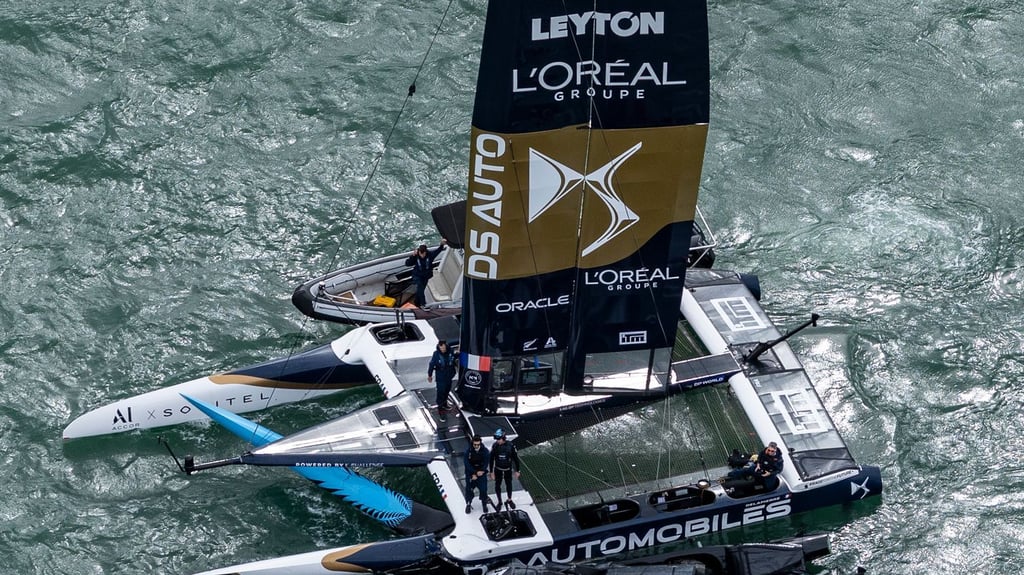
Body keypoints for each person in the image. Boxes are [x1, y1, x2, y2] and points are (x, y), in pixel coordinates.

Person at [405, 240, 447, 307]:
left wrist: (441, 244)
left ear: (425, 252)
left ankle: (416, 302)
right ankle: (423, 304)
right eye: (420, 253)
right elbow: (407, 263)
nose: (422, 255)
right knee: (420, 288)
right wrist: (412, 256)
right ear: (418, 252)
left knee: (420, 290)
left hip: (426, 276)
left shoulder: (430, 255)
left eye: (423, 253)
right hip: (417, 275)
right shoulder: (416, 256)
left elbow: (438, 250)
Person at [488, 428, 521, 509]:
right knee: (497, 485)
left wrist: (517, 470)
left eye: (498, 439)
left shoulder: (510, 445)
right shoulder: (495, 445)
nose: (497, 441)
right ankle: (499, 502)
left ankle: (509, 499)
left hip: (507, 469)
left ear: (503, 438)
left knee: (508, 484)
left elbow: (515, 458)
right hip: (498, 468)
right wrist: (491, 472)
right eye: (496, 439)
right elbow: (491, 459)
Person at [428, 340, 457, 421]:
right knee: (441, 393)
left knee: (447, 391)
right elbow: (431, 364)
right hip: (441, 377)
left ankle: (445, 404)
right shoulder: (436, 354)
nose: (443, 350)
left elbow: (453, 358)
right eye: (441, 348)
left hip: (449, 375)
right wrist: (429, 375)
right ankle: (441, 411)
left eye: (444, 348)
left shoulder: (450, 351)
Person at [464, 435, 490, 514]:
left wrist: (481, 472)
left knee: (483, 489)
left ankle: (484, 504)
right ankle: (468, 504)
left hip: (481, 473)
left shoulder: (485, 451)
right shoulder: (468, 451)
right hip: (471, 473)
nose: (476, 446)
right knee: (469, 489)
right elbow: (467, 464)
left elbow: (486, 463)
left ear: (480, 443)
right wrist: (474, 473)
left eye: (477, 444)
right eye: (474, 444)